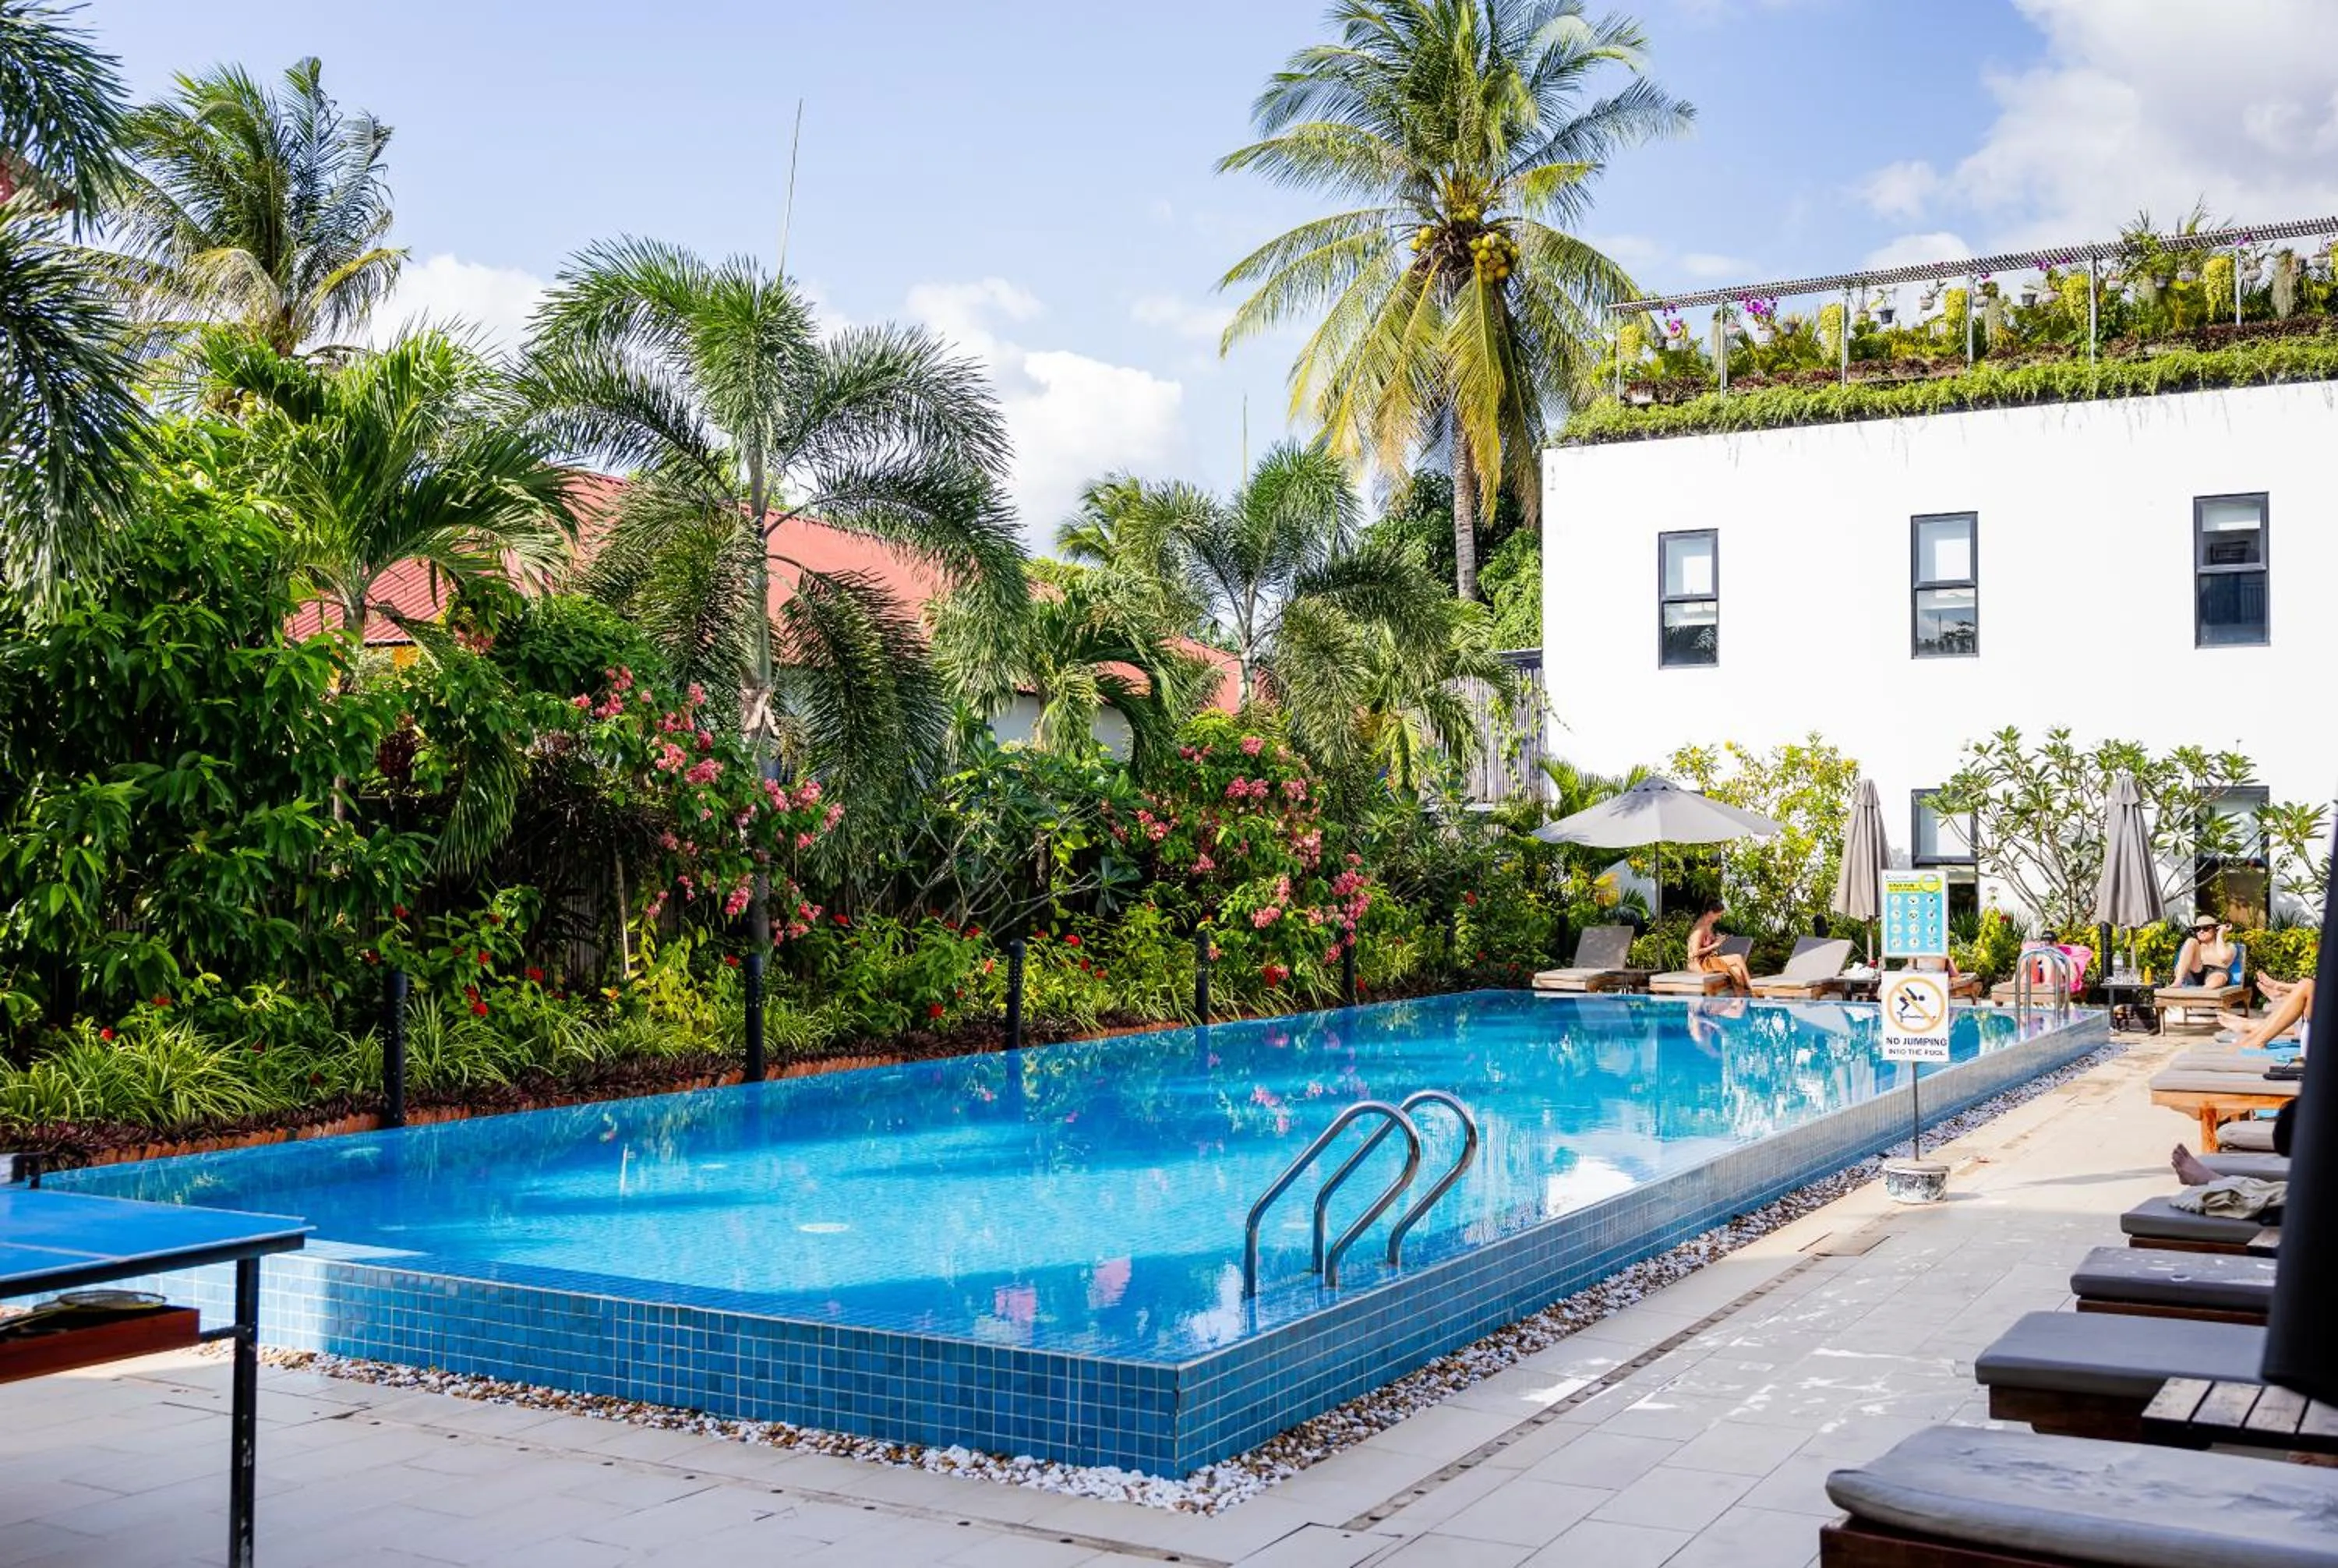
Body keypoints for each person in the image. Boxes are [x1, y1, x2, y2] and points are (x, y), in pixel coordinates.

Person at [1686, 899, 1752, 996]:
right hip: (1702, 962)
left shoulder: (1709, 924)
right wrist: (1715, 945)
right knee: (1737, 958)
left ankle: (1739, 1003)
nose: (1719, 918)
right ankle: (1753, 989)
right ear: (1710, 913)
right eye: (1718, 915)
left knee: (1737, 970)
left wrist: (1719, 938)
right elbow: (1694, 953)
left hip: (1709, 959)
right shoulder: (1699, 929)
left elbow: (1709, 941)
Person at [2174, 918, 2238, 988]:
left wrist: (2220, 934)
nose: (2201, 931)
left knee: (2219, 978)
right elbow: (2178, 968)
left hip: (2217, 972)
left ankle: (2205, 992)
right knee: (2191, 941)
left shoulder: (2228, 946)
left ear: (2215, 930)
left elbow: (2225, 958)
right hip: (2197, 971)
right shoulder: (2194, 947)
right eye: (2198, 929)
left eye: (2206, 928)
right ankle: (2178, 982)